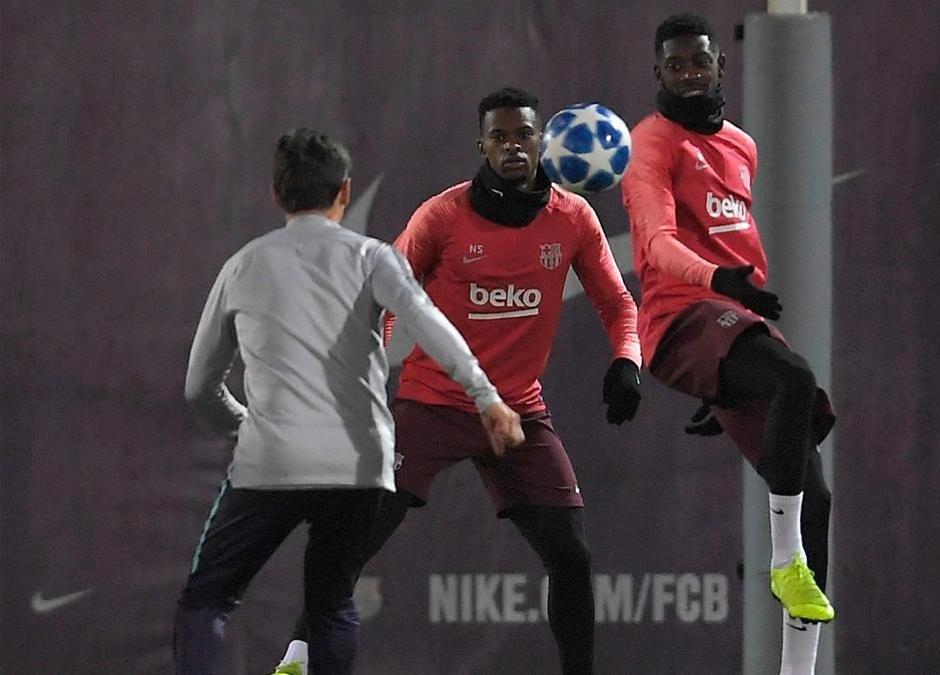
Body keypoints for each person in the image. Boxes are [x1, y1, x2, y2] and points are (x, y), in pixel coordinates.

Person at [292, 87, 642, 674]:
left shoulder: (574, 218)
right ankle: (295, 661)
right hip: (433, 405)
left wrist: (626, 361)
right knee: (354, 544)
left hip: (519, 412)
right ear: (481, 145)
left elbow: (618, 304)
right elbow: (383, 295)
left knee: (572, 556)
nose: (513, 146)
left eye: (523, 134)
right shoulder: (444, 216)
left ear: (543, 140)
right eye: (499, 136)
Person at [174, 128, 524, 675]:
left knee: (208, 600)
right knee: (331, 603)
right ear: (344, 191)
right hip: (357, 464)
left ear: (276, 193)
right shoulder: (371, 257)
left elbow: (200, 385)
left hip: (271, 461)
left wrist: (244, 425)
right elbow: (430, 327)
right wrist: (487, 398)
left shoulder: (243, 265)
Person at [621, 13, 837, 673]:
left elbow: (732, 238)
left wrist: (726, 374)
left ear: (720, 66)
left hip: (732, 323)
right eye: (677, 65)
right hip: (681, 318)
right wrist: (720, 284)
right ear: (658, 74)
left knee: (815, 492)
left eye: (700, 62)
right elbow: (655, 245)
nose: (690, 74)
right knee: (795, 378)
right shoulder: (650, 145)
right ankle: (782, 560)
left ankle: (797, 667)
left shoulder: (741, 143)